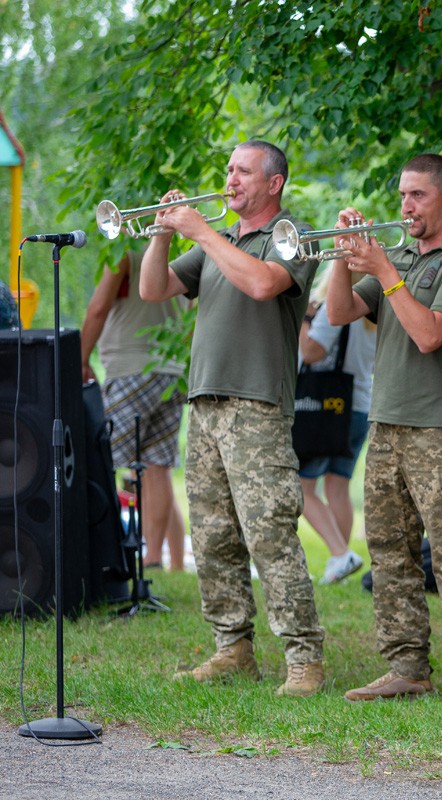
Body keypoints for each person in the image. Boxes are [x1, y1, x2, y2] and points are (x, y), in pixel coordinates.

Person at [324, 153, 442, 713]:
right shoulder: (401, 254)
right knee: (389, 553)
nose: (405, 206)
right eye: (402, 195)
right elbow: (337, 313)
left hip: (440, 431)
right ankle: (406, 667)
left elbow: (430, 335)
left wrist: (385, 272)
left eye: (418, 196)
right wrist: (342, 258)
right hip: (385, 424)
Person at [140, 140, 326, 697]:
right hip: (205, 402)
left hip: (257, 404)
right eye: (228, 169)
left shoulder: (294, 237)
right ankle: (232, 648)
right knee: (214, 534)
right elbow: (153, 289)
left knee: (270, 533)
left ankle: (304, 657)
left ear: (274, 183)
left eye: (243, 171)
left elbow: (263, 283)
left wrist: (200, 232)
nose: (230, 180)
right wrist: (162, 234)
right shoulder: (220, 240)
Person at [80, 250, 187, 571]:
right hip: (171, 371)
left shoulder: (122, 249)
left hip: (130, 367)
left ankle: (104, 553)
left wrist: (81, 360)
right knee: (157, 467)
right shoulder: (181, 248)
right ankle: (155, 560)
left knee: (102, 461)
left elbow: (98, 308)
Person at [297, 268, 374, 584]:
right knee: (338, 486)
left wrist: (304, 319)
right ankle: (339, 563)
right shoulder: (373, 310)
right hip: (358, 405)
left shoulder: (335, 305)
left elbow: (312, 352)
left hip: (325, 407)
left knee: (300, 487)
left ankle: (341, 553)